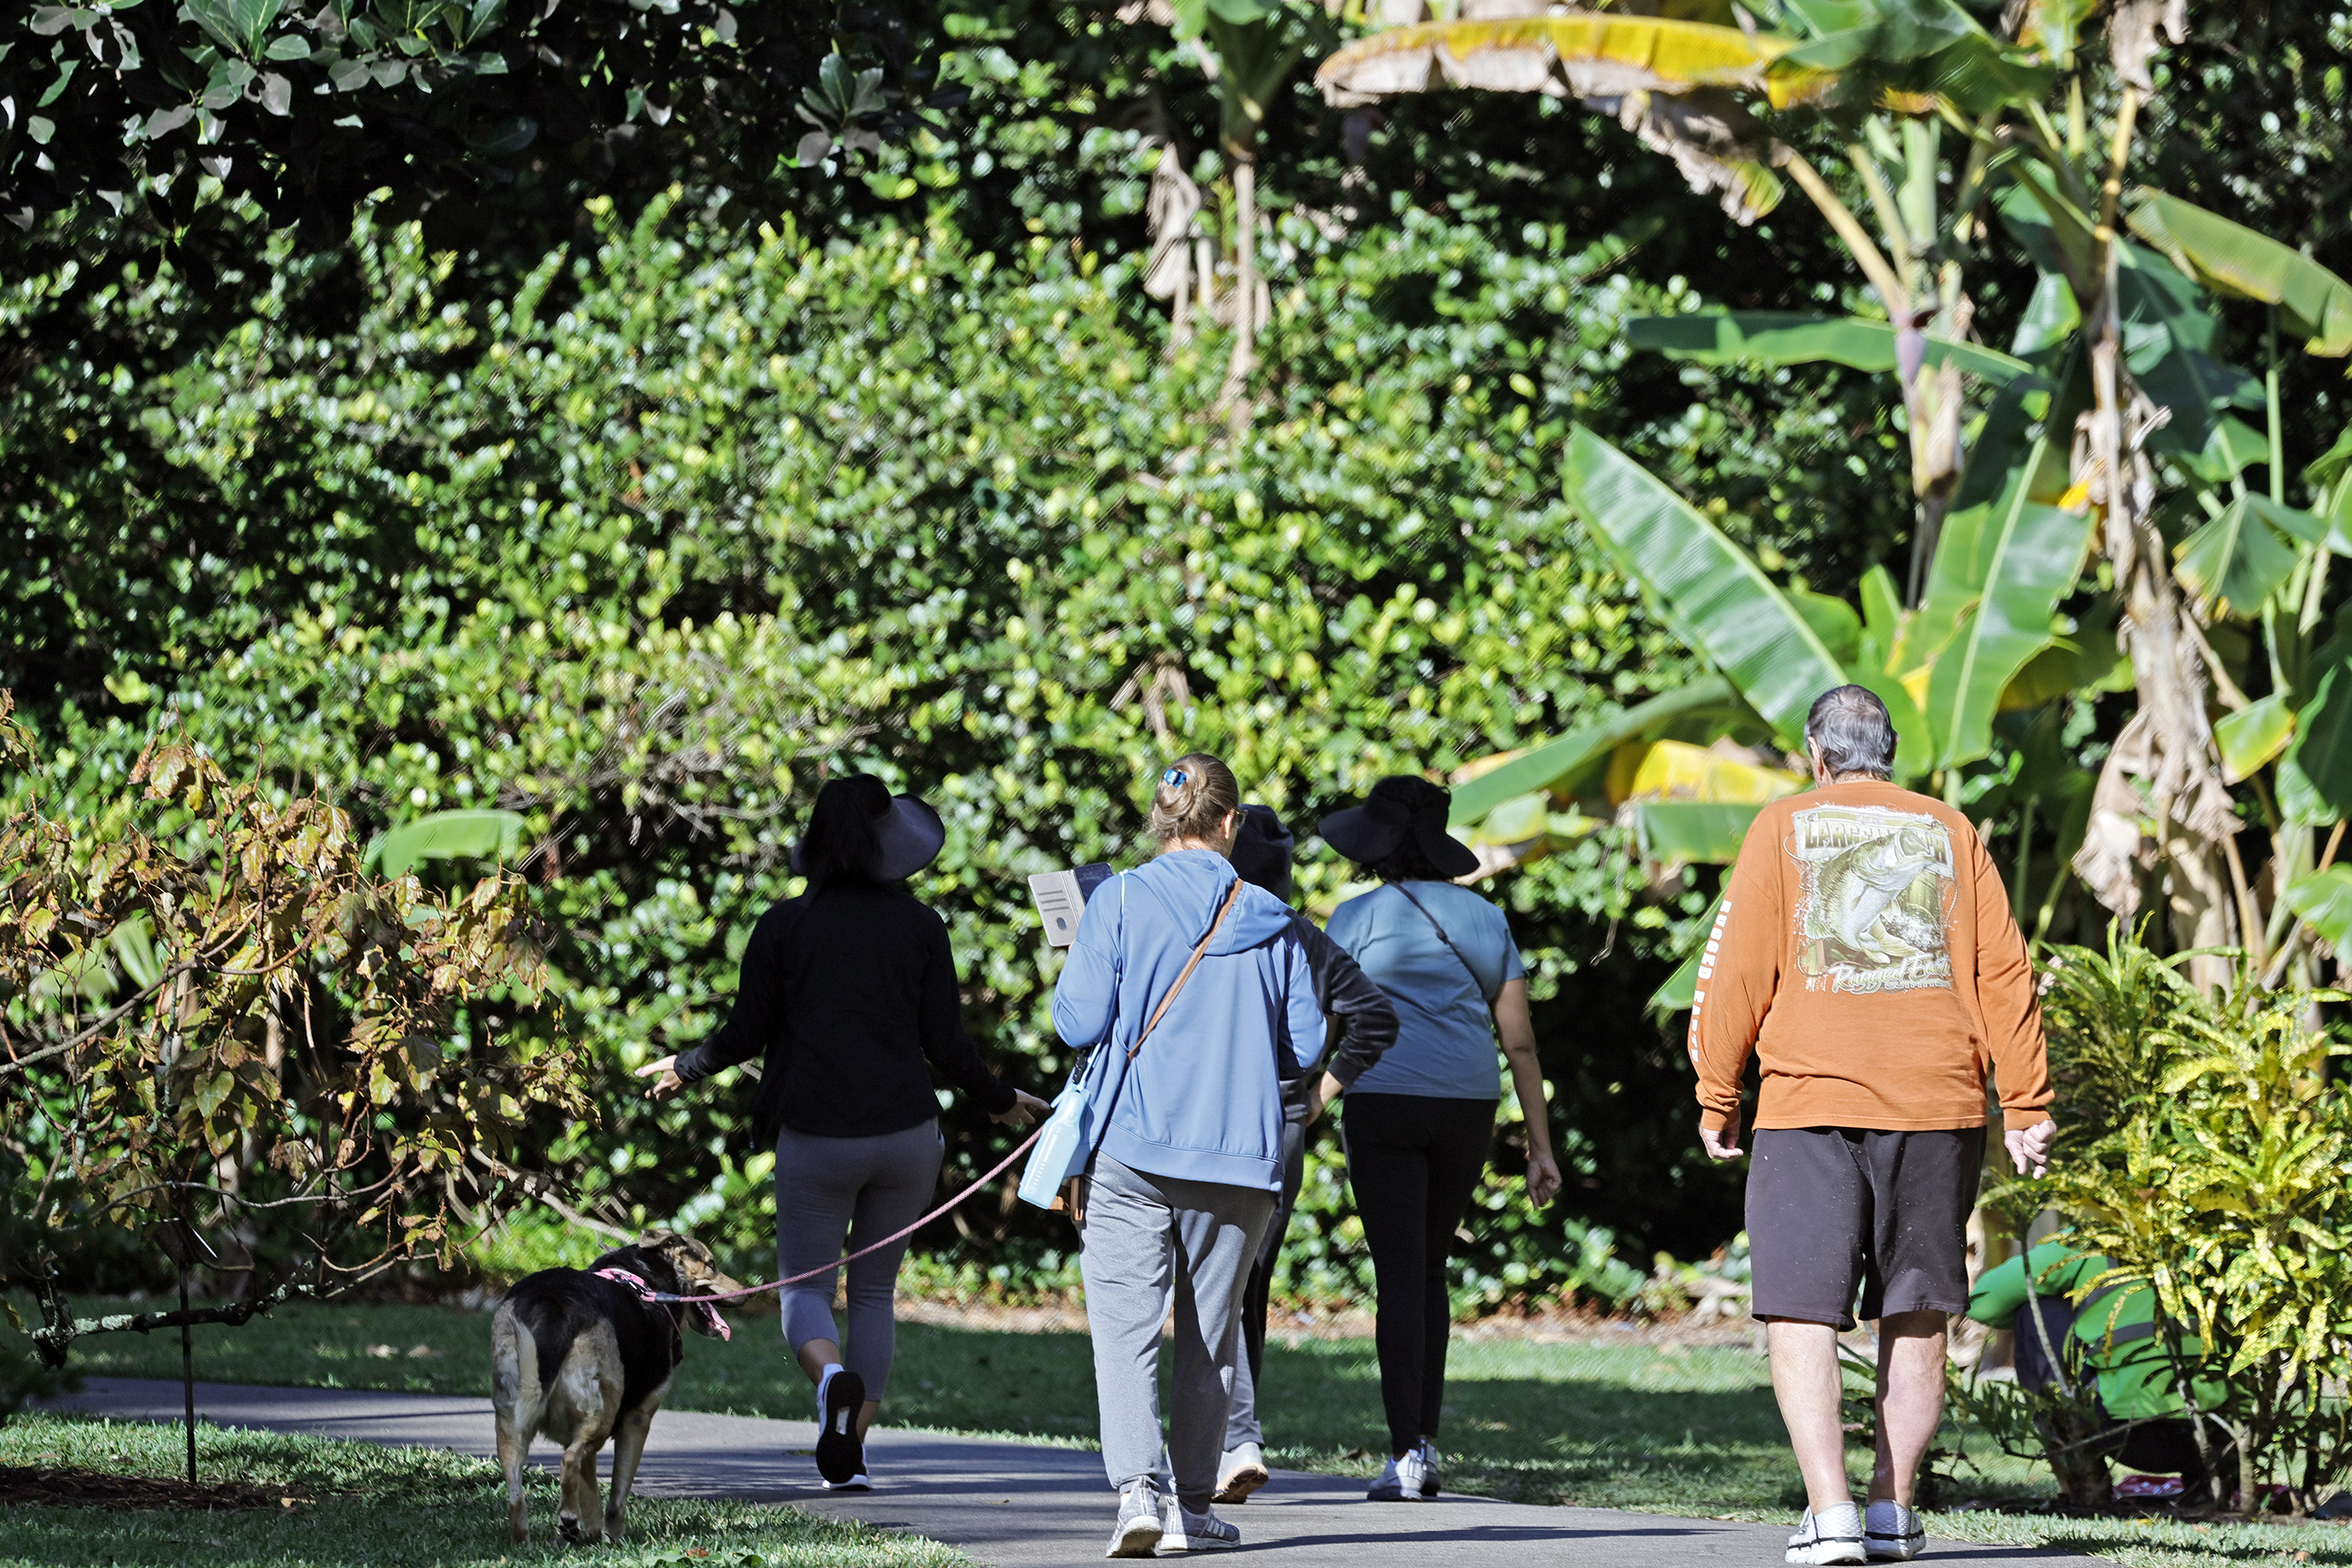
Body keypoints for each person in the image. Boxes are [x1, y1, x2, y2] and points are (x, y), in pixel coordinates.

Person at [1690, 685, 2057, 1566]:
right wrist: (2029, 1102)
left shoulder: (1780, 826)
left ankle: (1832, 1513)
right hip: (1937, 1102)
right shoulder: (1951, 830)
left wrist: (1717, 1090)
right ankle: (1891, 1508)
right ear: (1889, 749)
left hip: (1807, 1105)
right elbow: (2008, 972)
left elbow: (1734, 969)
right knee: (1918, 1307)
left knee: (1799, 1311)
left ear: (1818, 753)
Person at [637, 775, 1046, 1492]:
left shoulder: (783, 927)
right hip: (907, 1138)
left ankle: (831, 1381)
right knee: (875, 1294)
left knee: (806, 1294)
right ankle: (849, 1452)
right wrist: (1001, 1101)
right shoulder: (922, 928)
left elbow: (744, 1035)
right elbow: (948, 1049)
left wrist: (685, 1067)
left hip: (816, 1139)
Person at [1050, 754, 1325, 1558]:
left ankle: (1138, 1489)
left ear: (1161, 817)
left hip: (1131, 1148)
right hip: (1240, 1155)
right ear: (1231, 822)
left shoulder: (1119, 897)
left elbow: (1075, 1021)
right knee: (1212, 1333)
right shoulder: (1271, 913)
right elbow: (1304, 1043)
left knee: (1125, 1328)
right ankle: (1192, 1504)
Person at [1318, 775, 1563, 1504]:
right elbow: (1520, 1045)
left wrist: (1304, 1096)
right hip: (1467, 1107)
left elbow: (1325, 1026)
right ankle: (1424, 1444)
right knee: (1430, 1270)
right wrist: (1540, 1148)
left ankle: (1406, 1457)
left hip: (1382, 1099)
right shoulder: (1486, 919)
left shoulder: (1354, 916)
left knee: (1399, 1274)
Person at [1214, 804, 1401, 1505]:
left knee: (1214, 1285)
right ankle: (1236, 1433)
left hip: (1222, 1121)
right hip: (1282, 1128)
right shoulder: (1302, 936)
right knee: (1246, 1287)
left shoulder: (1217, 929)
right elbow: (1376, 1016)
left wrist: (1318, 1094)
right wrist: (1316, 1096)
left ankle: (1232, 1434)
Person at [1965, 1243, 2227, 1497]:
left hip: (2125, 1435)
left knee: (2037, 1313)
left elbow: (1983, 1301)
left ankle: (2083, 1484)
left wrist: (2077, 1300)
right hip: (2225, 1432)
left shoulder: (2087, 1243)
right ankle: (2213, 1487)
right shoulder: (2219, 1238)